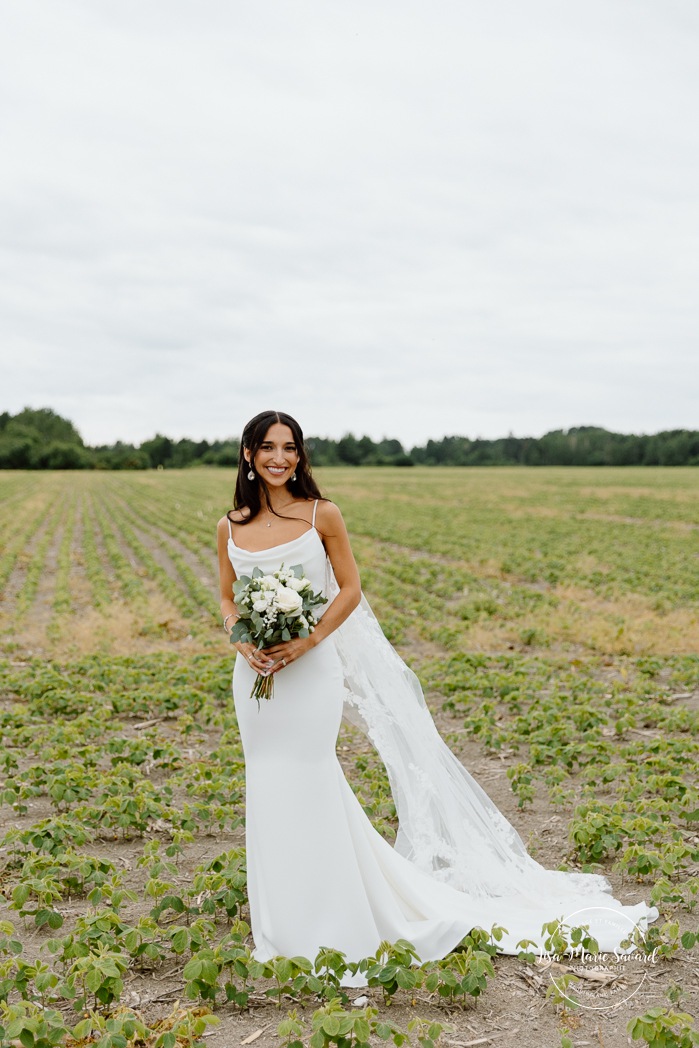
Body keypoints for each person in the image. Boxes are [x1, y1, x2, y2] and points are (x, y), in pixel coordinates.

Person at [217, 409, 657, 976]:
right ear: (248, 455)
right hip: (255, 675)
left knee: (311, 778)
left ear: (300, 456)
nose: (280, 458)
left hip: (309, 667)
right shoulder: (229, 526)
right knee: (267, 783)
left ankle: (334, 916)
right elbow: (227, 599)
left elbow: (349, 590)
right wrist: (241, 643)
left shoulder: (322, 514)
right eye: (268, 447)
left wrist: (308, 642)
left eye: (291, 447)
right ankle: (281, 919)